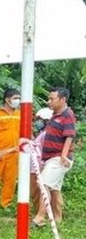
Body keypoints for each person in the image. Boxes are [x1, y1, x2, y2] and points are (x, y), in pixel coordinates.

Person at [32, 87, 77, 226]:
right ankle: (58, 218)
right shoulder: (55, 115)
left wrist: (63, 155)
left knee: (43, 183)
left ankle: (40, 217)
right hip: (50, 158)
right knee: (55, 189)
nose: (49, 101)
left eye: (52, 99)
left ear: (63, 100)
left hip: (59, 158)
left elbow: (69, 136)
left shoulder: (67, 115)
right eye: (49, 98)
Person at [30, 107, 52, 214]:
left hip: (39, 165)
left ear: (46, 121)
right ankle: (38, 210)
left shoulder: (46, 134)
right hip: (35, 165)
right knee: (35, 190)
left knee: (38, 190)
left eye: (40, 119)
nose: (37, 122)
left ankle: (41, 212)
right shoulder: (41, 133)